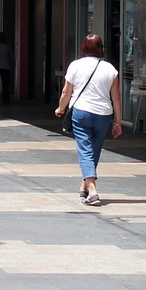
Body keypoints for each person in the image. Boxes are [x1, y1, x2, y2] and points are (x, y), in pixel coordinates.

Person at [55, 34, 123, 206]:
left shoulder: (75, 65)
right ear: (101, 48)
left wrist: (60, 109)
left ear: (84, 47)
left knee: (85, 150)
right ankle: (84, 185)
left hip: (81, 112)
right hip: (103, 115)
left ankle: (92, 191)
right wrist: (118, 122)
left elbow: (66, 92)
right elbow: (116, 97)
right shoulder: (110, 69)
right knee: (94, 150)